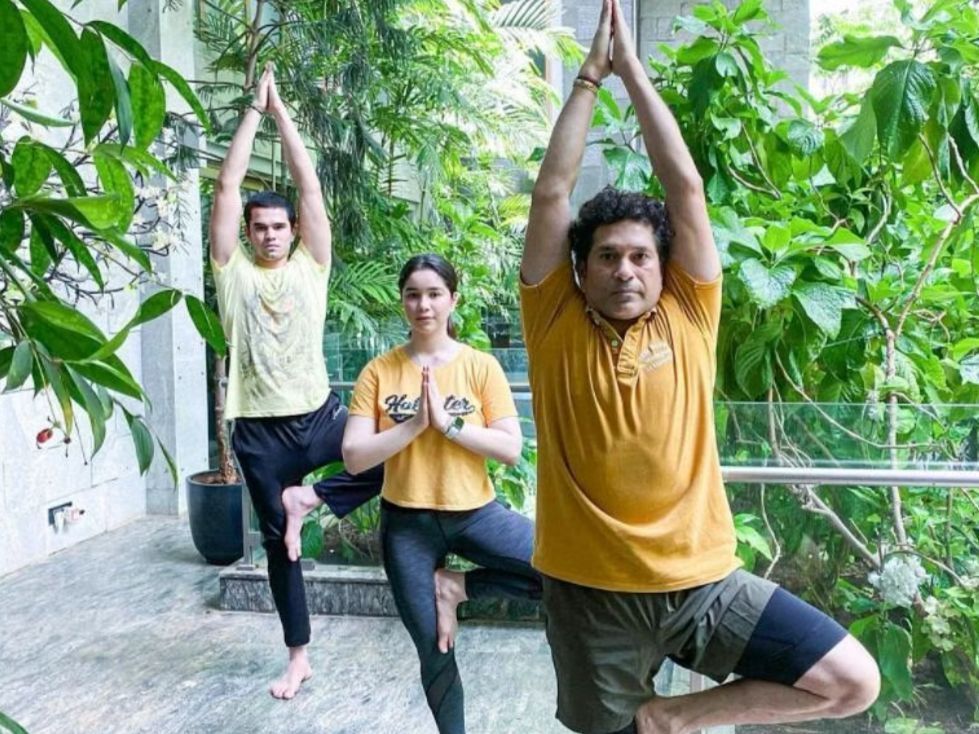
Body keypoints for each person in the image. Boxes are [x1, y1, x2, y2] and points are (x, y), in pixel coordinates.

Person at [520, 2, 881, 733]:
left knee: (851, 681)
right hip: (590, 597)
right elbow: (551, 195)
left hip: (703, 583)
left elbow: (684, 189)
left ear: (662, 267)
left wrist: (635, 74)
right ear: (580, 271)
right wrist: (588, 79)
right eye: (606, 257)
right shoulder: (554, 321)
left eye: (640, 256)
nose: (625, 271)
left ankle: (672, 719)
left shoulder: (688, 311)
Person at [209, 65, 381, 700]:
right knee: (285, 555)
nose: (271, 235)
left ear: (293, 233)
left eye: (279, 227)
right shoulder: (233, 273)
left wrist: (284, 114)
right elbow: (227, 186)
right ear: (249, 234)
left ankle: (313, 500)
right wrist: (253, 112)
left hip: (317, 417)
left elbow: (310, 188)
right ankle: (298, 657)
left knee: (397, 450)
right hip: (257, 432)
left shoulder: (313, 266)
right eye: (261, 228)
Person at [342, 253, 542, 734]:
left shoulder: (480, 367)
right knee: (434, 648)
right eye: (413, 294)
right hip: (407, 525)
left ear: (453, 299)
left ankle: (457, 588)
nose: (423, 305)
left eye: (434, 294)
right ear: (402, 302)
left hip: (475, 514)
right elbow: (354, 456)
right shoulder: (379, 371)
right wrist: (414, 424)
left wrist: (449, 425)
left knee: (559, 568)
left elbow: (510, 448)